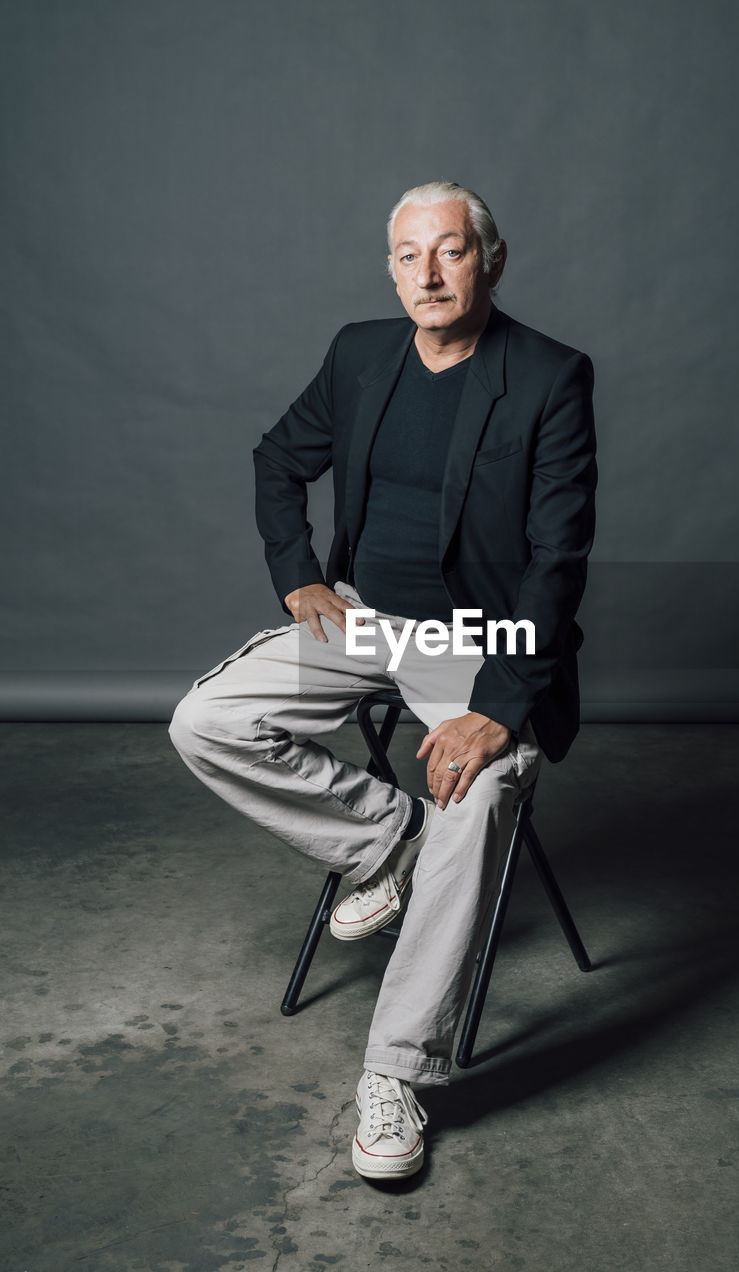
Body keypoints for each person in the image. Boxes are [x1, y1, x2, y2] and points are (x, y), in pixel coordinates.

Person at [169, 181, 597, 1179]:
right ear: (391, 267)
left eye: (450, 252)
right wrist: (299, 573)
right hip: (361, 615)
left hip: (479, 634)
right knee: (206, 719)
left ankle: (397, 1067)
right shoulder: (361, 352)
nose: (429, 274)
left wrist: (497, 705)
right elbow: (279, 458)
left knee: (481, 785)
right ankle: (383, 835)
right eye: (409, 256)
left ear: (490, 260)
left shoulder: (547, 376)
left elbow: (554, 560)